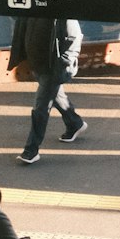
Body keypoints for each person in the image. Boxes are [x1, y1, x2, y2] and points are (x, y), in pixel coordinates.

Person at [9, 14, 86, 163]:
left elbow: (75, 37)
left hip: (53, 68)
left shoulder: (62, 11)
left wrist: (64, 62)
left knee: (41, 107)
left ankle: (31, 150)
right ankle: (75, 124)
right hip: (37, 64)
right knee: (56, 95)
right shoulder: (34, 6)